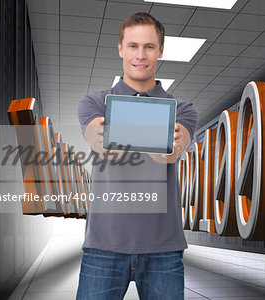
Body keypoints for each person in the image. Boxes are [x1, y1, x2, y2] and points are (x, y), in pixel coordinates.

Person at [76, 12, 198, 300]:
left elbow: (169, 155)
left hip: (163, 250)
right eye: (133, 46)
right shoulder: (93, 102)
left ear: (160, 51)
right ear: (120, 49)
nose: (140, 55)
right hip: (103, 246)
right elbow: (101, 143)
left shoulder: (183, 108)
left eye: (149, 47)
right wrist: (156, 134)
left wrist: (160, 141)